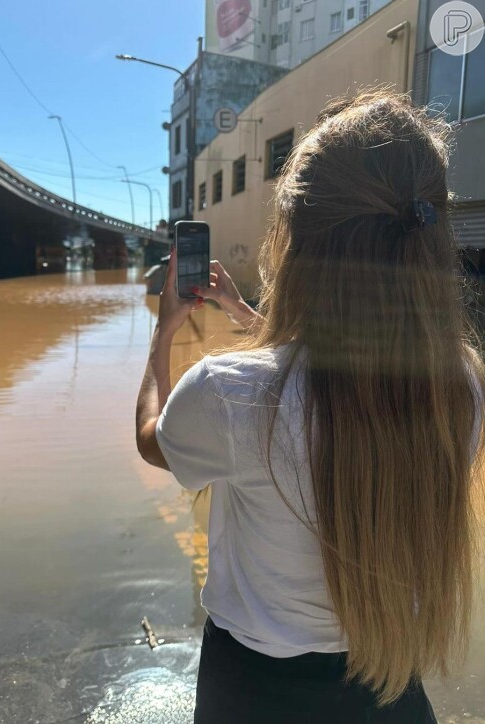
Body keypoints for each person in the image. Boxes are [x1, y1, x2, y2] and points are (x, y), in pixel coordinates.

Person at [135, 86, 485, 723]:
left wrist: (163, 333)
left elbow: (151, 438)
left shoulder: (228, 392)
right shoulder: (460, 386)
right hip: (391, 686)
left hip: (255, 692)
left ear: (292, 238)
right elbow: (338, 377)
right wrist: (245, 312)